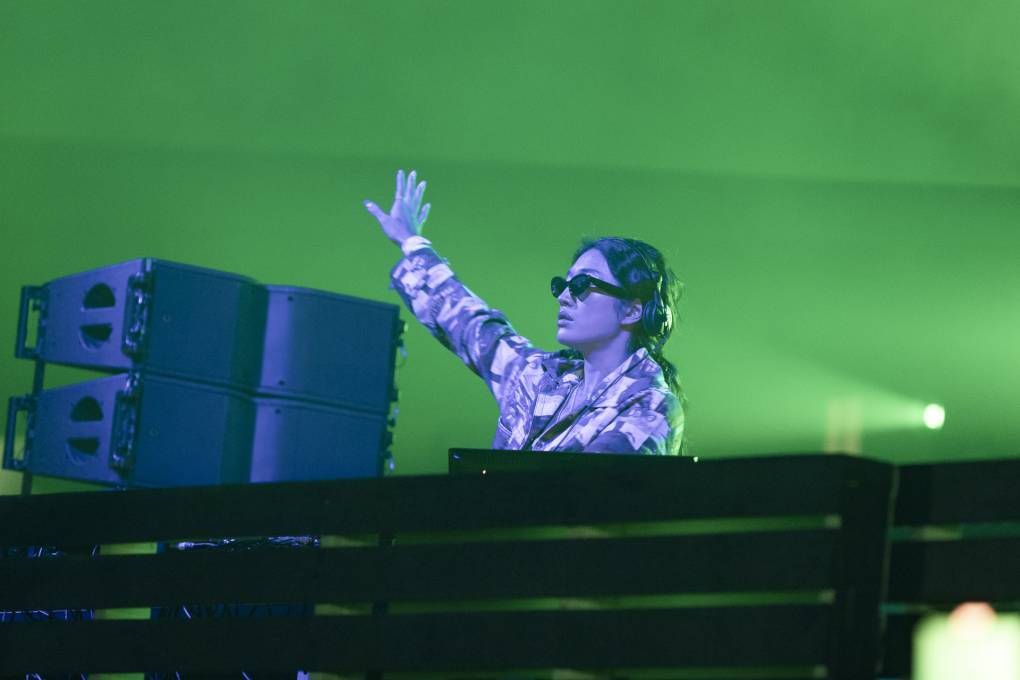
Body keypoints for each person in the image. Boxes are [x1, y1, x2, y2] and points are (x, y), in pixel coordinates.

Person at [364, 169, 685, 455]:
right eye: (562, 285)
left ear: (632, 310)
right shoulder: (539, 379)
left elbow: (585, 493)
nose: (564, 297)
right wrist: (412, 243)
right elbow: (473, 327)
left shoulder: (650, 406)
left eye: (582, 284)